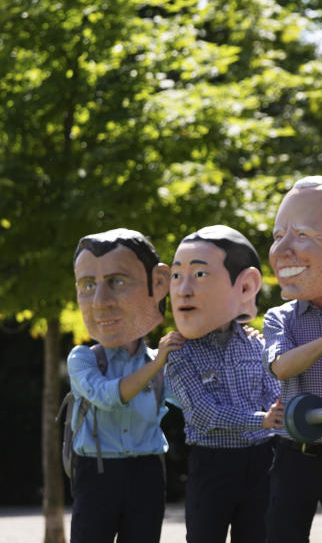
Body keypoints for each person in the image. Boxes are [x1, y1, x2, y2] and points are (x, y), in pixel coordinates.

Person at [164, 225, 283, 543]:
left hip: (261, 461)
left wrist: (277, 416)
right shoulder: (179, 354)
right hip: (212, 464)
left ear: (245, 287)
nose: (182, 290)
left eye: (199, 275)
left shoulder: (257, 344)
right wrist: (262, 419)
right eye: (176, 276)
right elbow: (203, 413)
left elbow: (274, 394)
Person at [67, 228, 181, 543]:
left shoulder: (163, 361)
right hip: (97, 473)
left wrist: (235, 335)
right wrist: (157, 364)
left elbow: (196, 399)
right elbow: (108, 396)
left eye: (117, 282)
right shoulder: (83, 359)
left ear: (158, 285)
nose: (101, 302)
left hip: (147, 473)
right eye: (88, 285)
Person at [262, 176, 322, 543]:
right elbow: (281, 365)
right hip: (293, 455)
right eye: (277, 236)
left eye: (302, 235)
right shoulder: (279, 317)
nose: (282, 250)